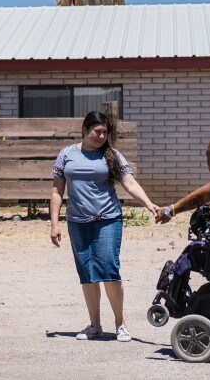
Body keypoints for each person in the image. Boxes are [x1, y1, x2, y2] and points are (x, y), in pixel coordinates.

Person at [50, 111, 159, 342]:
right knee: (87, 274)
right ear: (85, 129)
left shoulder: (112, 155)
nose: (101, 136)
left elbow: (129, 182)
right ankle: (95, 325)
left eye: (105, 133)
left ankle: (121, 324)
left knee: (109, 270)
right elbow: (57, 191)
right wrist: (54, 224)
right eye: (97, 131)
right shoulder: (66, 154)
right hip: (77, 222)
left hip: (108, 219)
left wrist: (149, 204)